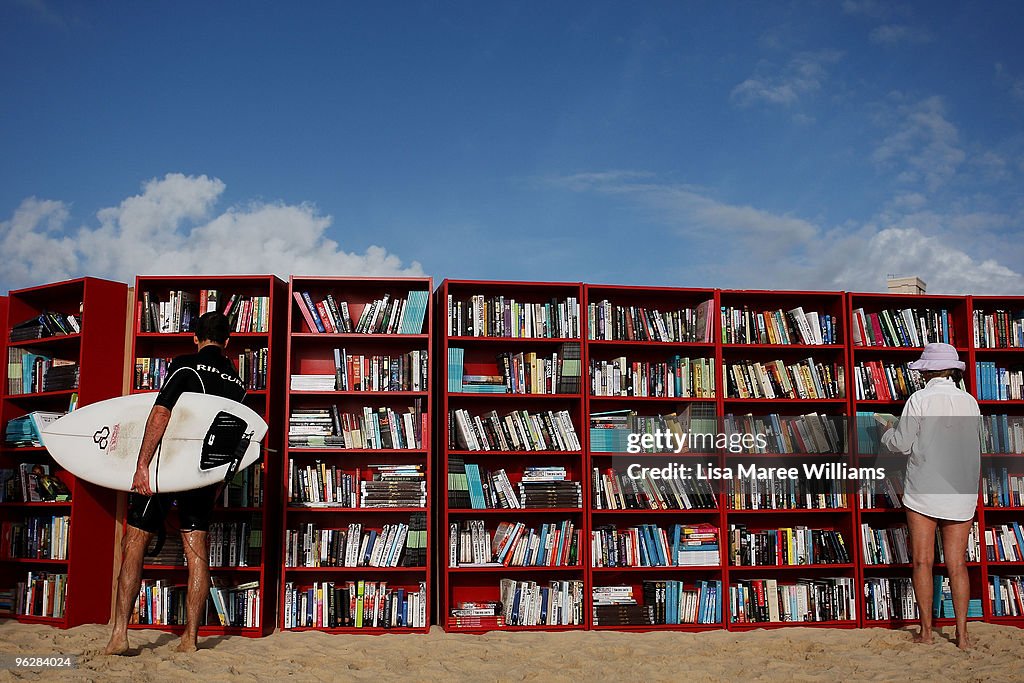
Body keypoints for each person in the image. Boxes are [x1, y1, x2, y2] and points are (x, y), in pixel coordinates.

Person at [105, 311, 246, 655]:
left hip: (165, 470)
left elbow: (161, 413)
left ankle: (120, 635)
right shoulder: (237, 383)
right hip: (200, 475)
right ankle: (190, 640)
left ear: (195, 338)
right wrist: (214, 480)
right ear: (227, 343)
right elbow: (234, 436)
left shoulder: (184, 366)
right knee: (196, 553)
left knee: (135, 541)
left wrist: (141, 465)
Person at [880, 342, 981, 650]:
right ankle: (962, 636)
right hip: (961, 489)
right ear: (953, 370)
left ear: (925, 370)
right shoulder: (969, 402)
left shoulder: (918, 399)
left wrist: (886, 431)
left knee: (923, 561)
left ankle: (926, 632)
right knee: (957, 563)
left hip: (924, 487)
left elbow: (902, 444)